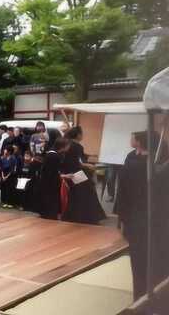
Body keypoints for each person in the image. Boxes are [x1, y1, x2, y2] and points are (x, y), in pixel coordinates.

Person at [114, 131, 155, 300]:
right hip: (156, 219)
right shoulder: (158, 164)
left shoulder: (130, 166)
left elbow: (122, 196)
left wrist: (122, 220)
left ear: (140, 142)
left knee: (139, 262)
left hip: (136, 220)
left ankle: (140, 297)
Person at [61, 127, 106, 225]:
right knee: (88, 192)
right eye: (82, 133)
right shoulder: (77, 146)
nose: (83, 135)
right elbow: (78, 161)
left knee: (78, 194)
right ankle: (88, 217)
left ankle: (74, 216)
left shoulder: (69, 144)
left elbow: (76, 159)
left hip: (69, 172)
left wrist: (88, 158)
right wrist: (88, 165)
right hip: (76, 173)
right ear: (78, 135)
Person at [39, 138, 69, 220]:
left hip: (48, 181)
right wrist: (64, 176)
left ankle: (48, 214)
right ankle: (49, 215)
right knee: (50, 199)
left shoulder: (52, 154)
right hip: (50, 182)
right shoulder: (54, 156)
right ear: (63, 146)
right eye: (67, 145)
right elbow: (53, 172)